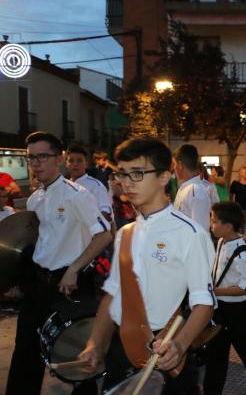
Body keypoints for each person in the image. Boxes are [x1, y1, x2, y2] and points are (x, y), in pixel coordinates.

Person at [77, 138, 215, 394]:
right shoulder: (126, 233)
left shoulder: (189, 233)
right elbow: (113, 293)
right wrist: (96, 341)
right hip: (121, 350)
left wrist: (180, 345)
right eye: (123, 174)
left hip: (166, 348)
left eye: (138, 173)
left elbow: (204, 302)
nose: (127, 182)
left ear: (164, 177)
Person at [6, 132, 113, 395]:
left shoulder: (78, 195)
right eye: (32, 158)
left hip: (69, 286)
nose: (36, 163)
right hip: (37, 285)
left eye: (43, 156)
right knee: (25, 354)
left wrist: (74, 270)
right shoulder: (35, 198)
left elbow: (104, 234)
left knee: (75, 358)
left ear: (60, 158)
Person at [203, 202, 246, 395]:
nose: (210, 224)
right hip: (220, 308)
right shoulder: (222, 242)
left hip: (237, 311)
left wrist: (217, 291)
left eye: (214, 221)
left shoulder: (243, 256)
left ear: (228, 226)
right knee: (217, 352)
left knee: (244, 346)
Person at [66, 145, 113, 221]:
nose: (75, 164)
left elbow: (105, 211)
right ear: (66, 164)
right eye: (71, 161)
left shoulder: (95, 185)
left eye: (79, 160)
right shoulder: (64, 185)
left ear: (86, 164)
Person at [173, 144, 212, 232]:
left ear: (180, 164)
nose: (174, 168)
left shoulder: (196, 191)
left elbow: (200, 230)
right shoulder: (186, 188)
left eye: (174, 164)